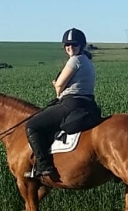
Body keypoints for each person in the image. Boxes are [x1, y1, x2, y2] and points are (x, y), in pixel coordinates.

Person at [25, 28, 98, 179]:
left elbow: (59, 86)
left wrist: (56, 87)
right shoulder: (87, 61)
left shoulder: (75, 60)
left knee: (32, 125)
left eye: (74, 44)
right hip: (88, 103)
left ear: (81, 45)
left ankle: (43, 166)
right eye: (67, 45)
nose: (70, 47)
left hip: (71, 103)